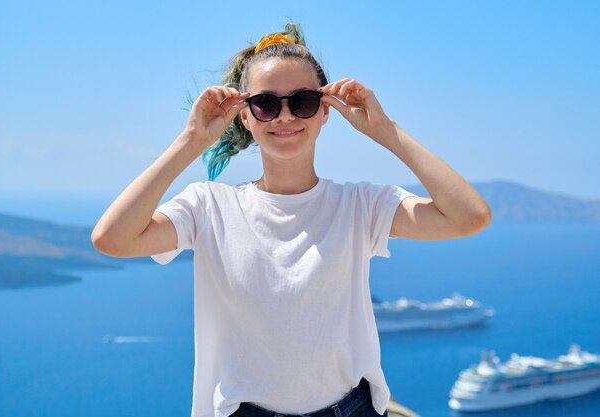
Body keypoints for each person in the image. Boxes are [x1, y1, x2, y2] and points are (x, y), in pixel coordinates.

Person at [92, 23, 491, 417]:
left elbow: (469, 216)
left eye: (302, 101)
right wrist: (191, 141)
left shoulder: (360, 205)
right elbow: (113, 238)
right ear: (245, 116)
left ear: (324, 112)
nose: (285, 116)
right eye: (266, 103)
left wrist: (385, 131)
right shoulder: (208, 207)